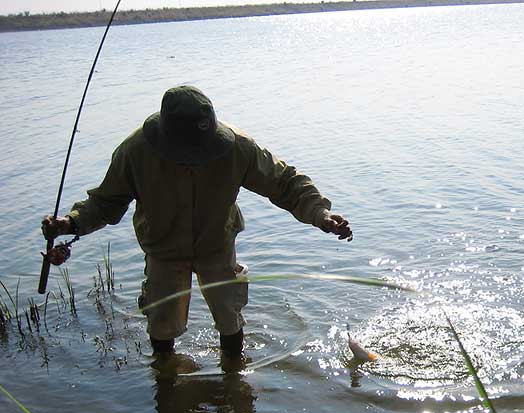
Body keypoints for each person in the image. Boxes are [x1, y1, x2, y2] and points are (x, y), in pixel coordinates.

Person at [42, 85, 352, 357]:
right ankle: (165, 372)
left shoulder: (237, 148)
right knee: (163, 324)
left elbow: (285, 183)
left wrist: (320, 215)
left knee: (229, 315)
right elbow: (105, 203)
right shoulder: (135, 151)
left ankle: (233, 373)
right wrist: (70, 223)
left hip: (217, 245)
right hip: (163, 249)